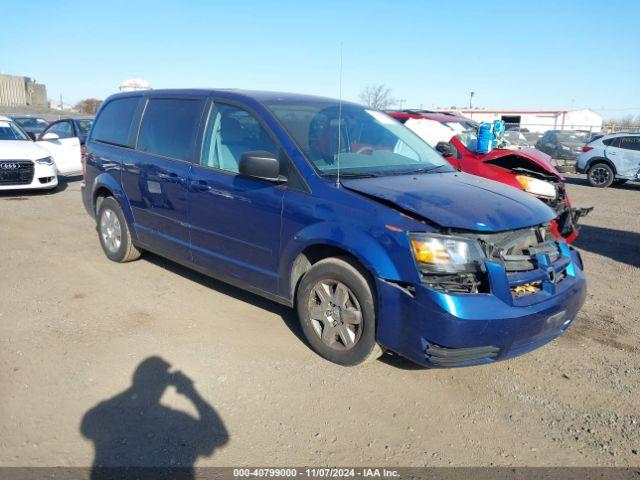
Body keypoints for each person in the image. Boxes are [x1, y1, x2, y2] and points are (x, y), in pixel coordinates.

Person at [81, 357, 228, 480]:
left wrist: (135, 387)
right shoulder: (176, 420)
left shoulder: (113, 417)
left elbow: (88, 424)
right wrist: (192, 393)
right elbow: (218, 437)